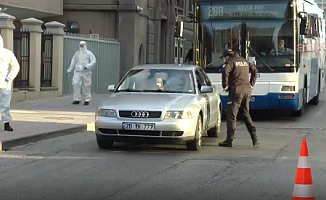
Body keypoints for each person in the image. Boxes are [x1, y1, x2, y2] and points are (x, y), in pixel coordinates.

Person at [218, 49, 259, 147]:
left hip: (236, 91)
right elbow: (255, 71)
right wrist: (251, 84)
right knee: (246, 114)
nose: (224, 60)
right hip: (246, 91)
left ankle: (229, 140)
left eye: (223, 58)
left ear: (226, 57)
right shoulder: (244, 61)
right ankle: (254, 138)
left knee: (232, 115)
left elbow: (225, 72)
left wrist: (225, 86)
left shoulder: (230, 62)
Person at [0, 35, 20, 131]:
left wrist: (10, 77)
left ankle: (6, 123)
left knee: (5, 104)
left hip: (4, 83)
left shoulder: (7, 54)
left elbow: (15, 66)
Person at [66, 41, 96, 105]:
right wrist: (69, 70)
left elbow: (93, 61)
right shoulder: (77, 54)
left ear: (85, 45)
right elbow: (73, 62)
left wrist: (87, 66)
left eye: (83, 45)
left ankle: (87, 99)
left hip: (86, 72)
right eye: (81, 45)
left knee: (86, 85)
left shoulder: (89, 53)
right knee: (75, 83)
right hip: (78, 71)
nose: (82, 47)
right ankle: (77, 99)